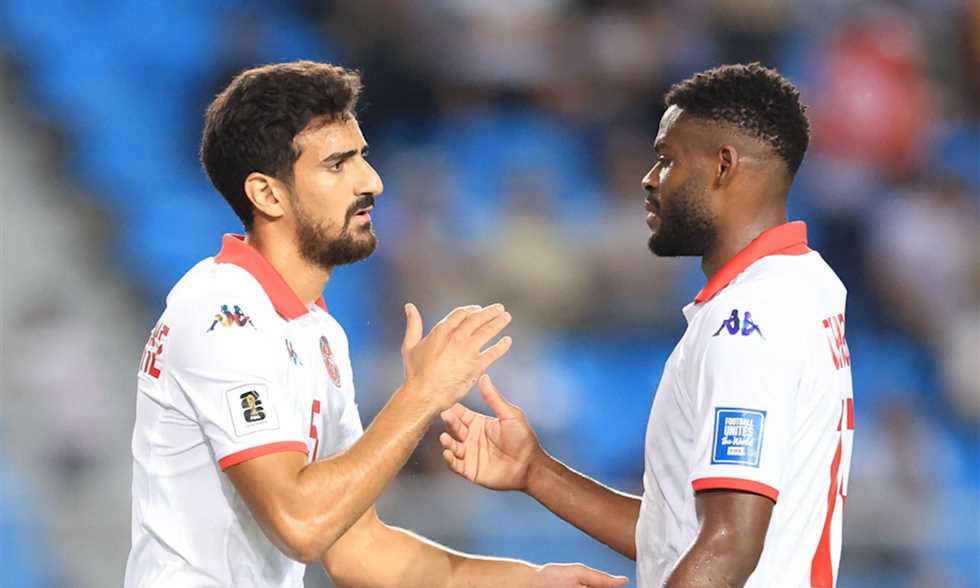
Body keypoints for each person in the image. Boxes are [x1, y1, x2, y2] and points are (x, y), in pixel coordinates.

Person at [124, 61, 627, 588]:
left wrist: (531, 580)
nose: (372, 182)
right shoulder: (223, 315)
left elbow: (357, 549)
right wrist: (423, 394)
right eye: (337, 165)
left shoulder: (318, 331)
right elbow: (300, 524)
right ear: (267, 194)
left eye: (362, 157)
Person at [440, 63, 855, 588]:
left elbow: (727, 547)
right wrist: (535, 470)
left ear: (723, 165)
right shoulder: (800, 286)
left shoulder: (748, 320)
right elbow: (681, 537)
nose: (649, 178)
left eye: (667, 159)